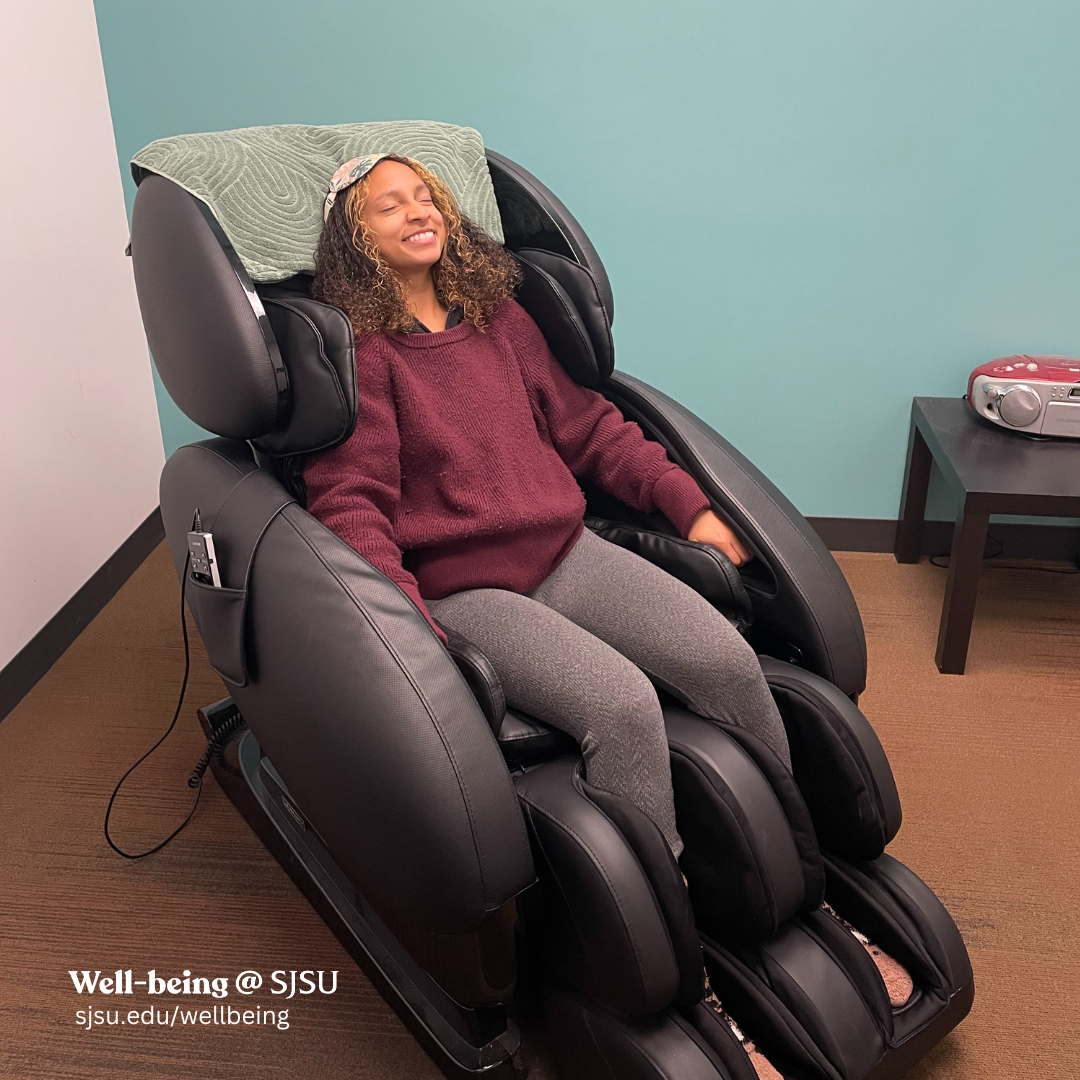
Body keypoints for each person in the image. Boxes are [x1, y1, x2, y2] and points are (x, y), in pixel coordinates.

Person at [304, 156, 911, 1077]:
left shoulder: (500, 320)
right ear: (356, 239)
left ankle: (799, 887)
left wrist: (688, 505)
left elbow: (589, 428)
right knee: (622, 709)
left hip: (570, 551)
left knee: (724, 661)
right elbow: (351, 506)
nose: (415, 211)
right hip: (472, 590)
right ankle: (670, 941)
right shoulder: (365, 357)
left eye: (426, 196)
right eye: (387, 206)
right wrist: (406, 639)